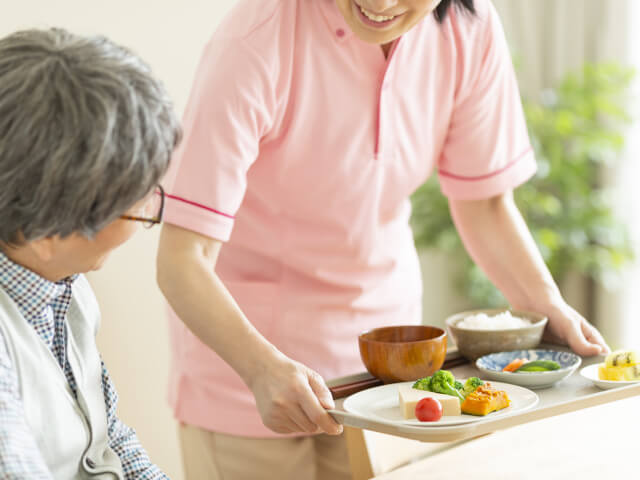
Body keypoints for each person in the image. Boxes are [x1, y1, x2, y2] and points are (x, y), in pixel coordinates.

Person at [156, 1, 609, 479]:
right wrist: (261, 369)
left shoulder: (467, 29)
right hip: (247, 370)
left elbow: (485, 204)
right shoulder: (257, 38)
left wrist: (546, 307)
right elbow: (183, 260)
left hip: (388, 376)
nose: (380, 2)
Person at [0, 28, 180, 479]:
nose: (148, 209)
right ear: (45, 228)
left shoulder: (60, 281)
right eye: (136, 203)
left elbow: (106, 435)